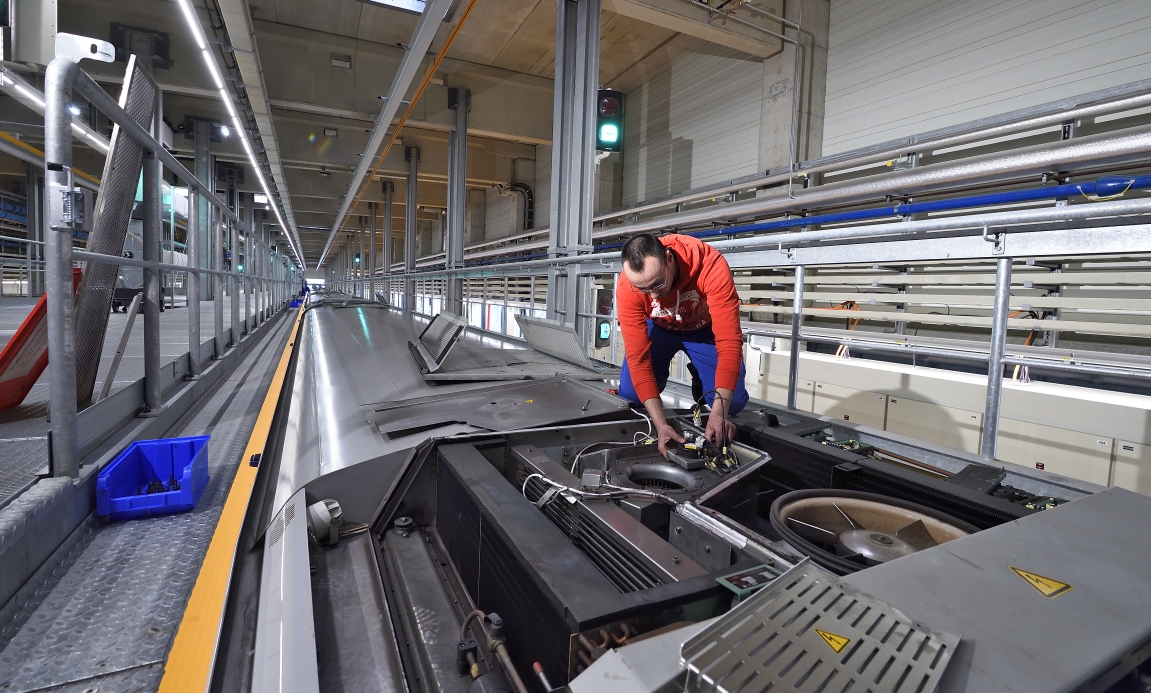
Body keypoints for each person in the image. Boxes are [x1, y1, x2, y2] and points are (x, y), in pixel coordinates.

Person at [616, 233, 748, 458]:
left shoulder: (710, 266)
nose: (654, 295)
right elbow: (638, 359)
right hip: (658, 327)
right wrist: (660, 425)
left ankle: (701, 378)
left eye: (658, 283)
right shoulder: (628, 287)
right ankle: (660, 377)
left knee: (732, 404)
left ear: (668, 258)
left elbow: (730, 343)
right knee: (631, 395)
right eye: (644, 289)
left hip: (703, 329)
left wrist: (718, 412)